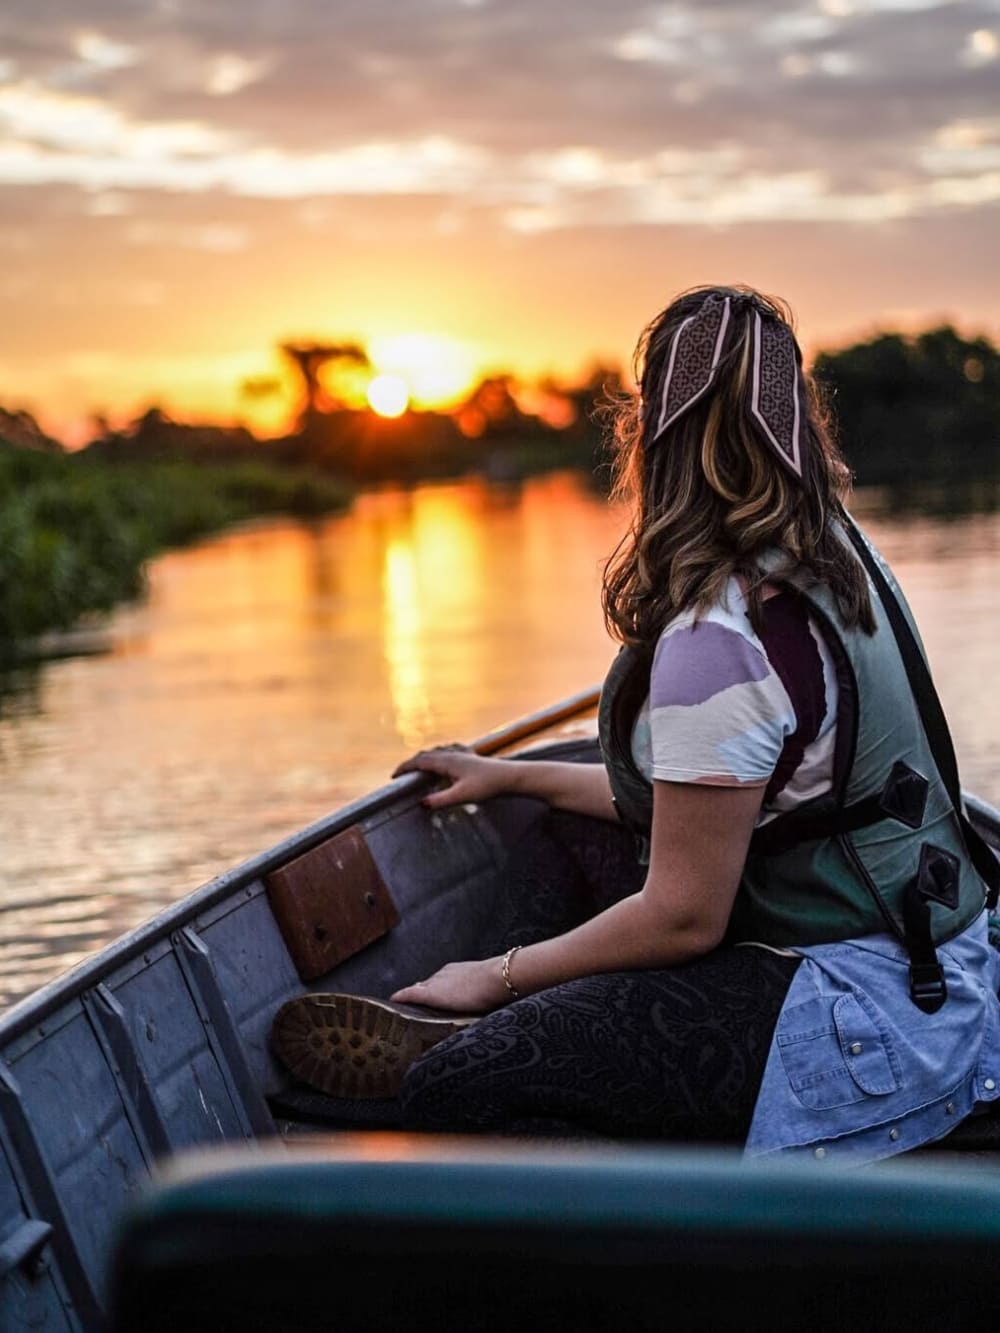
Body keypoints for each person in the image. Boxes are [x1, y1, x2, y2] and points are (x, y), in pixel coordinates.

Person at [272, 284, 1000, 1160]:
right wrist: (513, 773)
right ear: (795, 418)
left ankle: (471, 1026)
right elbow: (701, 801)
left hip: (867, 1015)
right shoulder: (839, 549)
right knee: (556, 828)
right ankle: (473, 1018)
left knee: (453, 1091)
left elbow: (684, 916)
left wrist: (496, 977)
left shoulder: (718, 633)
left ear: (654, 432)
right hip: (943, 963)